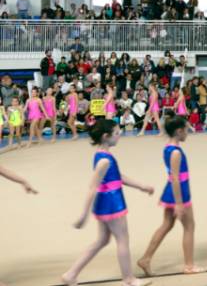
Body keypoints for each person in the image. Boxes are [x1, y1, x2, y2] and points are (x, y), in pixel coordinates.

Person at [61, 118, 154, 286]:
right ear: (106, 136)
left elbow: (118, 176)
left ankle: (71, 274)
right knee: (122, 239)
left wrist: (141, 186)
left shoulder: (102, 155)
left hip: (106, 202)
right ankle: (128, 279)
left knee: (102, 240)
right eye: (117, 133)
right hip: (112, 203)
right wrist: (83, 215)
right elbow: (92, 187)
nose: (120, 135)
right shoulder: (104, 160)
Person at [138, 117, 204, 276]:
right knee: (189, 227)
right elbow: (175, 178)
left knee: (167, 225)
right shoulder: (175, 152)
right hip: (179, 192)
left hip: (171, 191)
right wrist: (179, 203)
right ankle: (189, 265)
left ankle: (146, 258)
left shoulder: (168, 147)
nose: (187, 133)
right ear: (179, 131)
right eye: (186, 130)